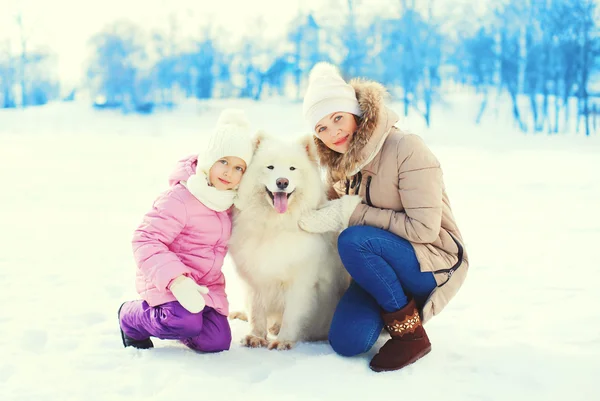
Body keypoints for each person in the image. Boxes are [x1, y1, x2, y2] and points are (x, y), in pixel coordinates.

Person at [298, 63, 469, 372]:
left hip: (432, 260)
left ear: (356, 112)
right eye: (321, 128)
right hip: (376, 265)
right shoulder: (339, 164)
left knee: (353, 238)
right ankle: (394, 304)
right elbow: (325, 210)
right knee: (348, 342)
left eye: (338, 118)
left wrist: (353, 212)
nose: (333, 133)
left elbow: (424, 229)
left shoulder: (407, 148)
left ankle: (411, 336)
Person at [118, 109, 254, 352]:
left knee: (216, 342)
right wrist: (177, 281)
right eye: (223, 162)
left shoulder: (232, 203)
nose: (228, 173)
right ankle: (131, 318)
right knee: (184, 320)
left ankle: (186, 322)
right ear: (208, 159)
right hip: (169, 284)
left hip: (205, 289)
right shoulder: (181, 197)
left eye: (238, 168)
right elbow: (145, 238)